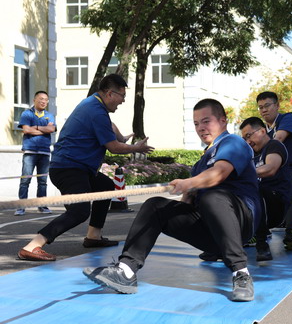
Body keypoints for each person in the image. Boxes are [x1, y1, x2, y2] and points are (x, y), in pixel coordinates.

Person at [84, 98, 259, 302]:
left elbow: (219, 174)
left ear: (222, 120)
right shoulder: (202, 162)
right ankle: (126, 272)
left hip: (241, 222)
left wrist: (188, 183)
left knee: (212, 196)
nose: (200, 128)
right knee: (155, 206)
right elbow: (185, 205)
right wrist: (174, 210)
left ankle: (241, 273)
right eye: (195, 124)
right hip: (214, 235)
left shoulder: (233, 142)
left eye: (206, 121)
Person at [17, 74, 154, 262]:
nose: (123, 101)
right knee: (79, 211)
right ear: (109, 93)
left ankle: (93, 236)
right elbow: (113, 148)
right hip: (69, 169)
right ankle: (33, 246)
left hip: (78, 168)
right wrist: (136, 148)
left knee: (104, 186)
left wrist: (121, 136)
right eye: (121, 96)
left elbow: (109, 125)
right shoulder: (96, 111)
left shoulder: (92, 104)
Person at [256, 91, 292, 250]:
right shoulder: (265, 131)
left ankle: (290, 234)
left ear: (277, 106)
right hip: (274, 172)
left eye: (267, 105)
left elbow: (278, 140)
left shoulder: (288, 119)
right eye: (260, 107)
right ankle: (260, 233)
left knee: (291, 193)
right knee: (256, 193)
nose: (264, 110)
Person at [240, 117, 290, 261]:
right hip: (257, 205)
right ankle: (220, 247)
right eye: (244, 139)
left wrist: (241, 174)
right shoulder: (251, 154)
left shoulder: (274, 146)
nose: (248, 141)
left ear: (262, 131)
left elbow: (270, 168)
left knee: (255, 191)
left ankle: (262, 245)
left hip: (276, 204)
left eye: (249, 136)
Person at [15, 91, 56, 216]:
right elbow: (26, 129)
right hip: (30, 151)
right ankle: (21, 206)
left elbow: (52, 129)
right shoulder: (27, 114)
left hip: (44, 152)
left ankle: (42, 206)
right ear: (35, 100)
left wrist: (35, 128)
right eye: (41, 99)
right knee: (25, 180)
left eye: (46, 99)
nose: (43, 101)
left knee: (42, 181)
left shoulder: (49, 115)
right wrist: (43, 130)